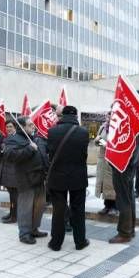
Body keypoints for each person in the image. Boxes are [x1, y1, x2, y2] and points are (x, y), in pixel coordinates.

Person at [47, 105, 91, 251]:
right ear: (75, 116)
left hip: (57, 176)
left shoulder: (52, 132)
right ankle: (80, 241)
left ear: (62, 115)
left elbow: (51, 153)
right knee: (78, 209)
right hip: (77, 176)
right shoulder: (83, 132)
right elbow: (84, 156)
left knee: (58, 210)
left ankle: (56, 243)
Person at [3, 117, 47, 245]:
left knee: (40, 205)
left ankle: (34, 229)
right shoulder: (13, 139)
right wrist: (29, 149)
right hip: (25, 178)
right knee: (25, 207)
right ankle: (24, 233)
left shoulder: (36, 138)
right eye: (29, 125)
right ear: (21, 127)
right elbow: (10, 156)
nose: (33, 126)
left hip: (39, 177)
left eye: (33, 124)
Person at [109, 139, 139, 244]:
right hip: (127, 165)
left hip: (122, 164)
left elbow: (121, 146)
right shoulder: (134, 128)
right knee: (128, 197)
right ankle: (129, 229)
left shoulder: (127, 125)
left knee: (123, 199)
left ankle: (125, 232)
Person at [94, 112, 117, 215]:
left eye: (109, 116)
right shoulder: (103, 127)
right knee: (103, 184)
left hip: (112, 160)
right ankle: (106, 206)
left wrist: (102, 142)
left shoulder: (116, 128)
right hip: (103, 159)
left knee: (111, 184)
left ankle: (114, 207)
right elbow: (97, 141)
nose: (107, 118)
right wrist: (97, 140)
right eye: (107, 116)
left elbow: (113, 145)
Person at [0, 120, 18, 223]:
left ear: (15, 127)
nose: (8, 129)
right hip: (7, 170)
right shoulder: (7, 138)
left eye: (10, 127)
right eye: (7, 127)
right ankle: (11, 213)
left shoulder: (17, 139)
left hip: (14, 171)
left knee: (15, 195)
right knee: (11, 194)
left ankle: (14, 216)